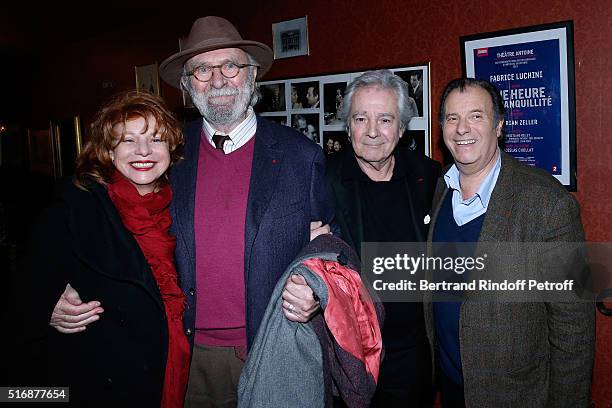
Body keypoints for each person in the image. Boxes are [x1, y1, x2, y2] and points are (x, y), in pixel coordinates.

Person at [50, 16, 334, 407]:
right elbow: (109, 231)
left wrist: (318, 290)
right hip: (181, 352)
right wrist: (61, 290)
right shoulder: (167, 157)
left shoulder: (302, 157)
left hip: (272, 346)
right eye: (202, 69)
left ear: (251, 76)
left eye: (230, 66)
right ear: (186, 85)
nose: (217, 81)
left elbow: (330, 252)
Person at [426, 78, 595, 407]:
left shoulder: (549, 203)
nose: (462, 129)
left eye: (476, 116)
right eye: (452, 118)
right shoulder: (440, 188)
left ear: (499, 126)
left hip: (516, 394)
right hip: (449, 386)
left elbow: (574, 329)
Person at [26, 90, 189, 407]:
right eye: (128, 140)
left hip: (173, 368)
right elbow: (25, 289)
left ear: (171, 148)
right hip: (99, 381)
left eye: (155, 139)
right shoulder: (75, 204)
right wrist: (47, 307)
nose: (144, 150)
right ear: (109, 152)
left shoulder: (182, 203)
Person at [325, 69, 441, 407]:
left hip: (415, 360)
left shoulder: (429, 177)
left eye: (385, 120)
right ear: (348, 126)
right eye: (361, 118)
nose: (373, 132)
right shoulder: (320, 182)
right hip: (348, 361)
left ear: (402, 128)